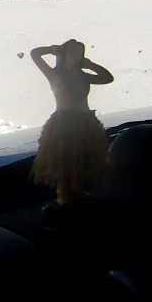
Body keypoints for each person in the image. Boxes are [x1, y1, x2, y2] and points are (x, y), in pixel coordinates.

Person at [29, 39, 114, 206]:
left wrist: (90, 65)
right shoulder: (54, 74)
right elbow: (35, 54)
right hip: (64, 124)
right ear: (64, 54)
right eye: (72, 52)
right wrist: (52, 49)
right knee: (65, 161)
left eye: (79, 53)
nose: (76, 56)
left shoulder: (83, 75)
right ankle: (64, 197)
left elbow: (107, 78)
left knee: (83, 158)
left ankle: (78, 193)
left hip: (86, 122)